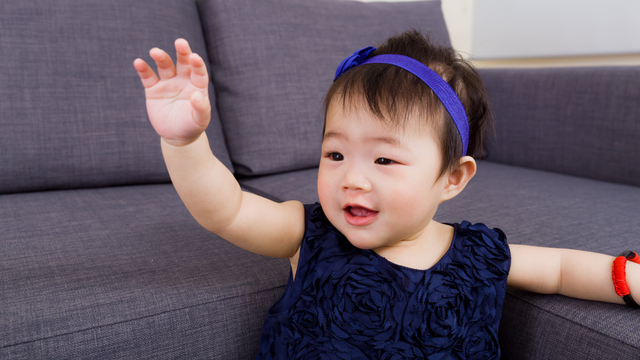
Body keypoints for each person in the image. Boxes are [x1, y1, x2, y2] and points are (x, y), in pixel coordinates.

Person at [133, 30, 639, 359]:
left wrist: (627, 278)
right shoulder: (308, 233)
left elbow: (560, 270)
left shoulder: (479, 255)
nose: (352, 178)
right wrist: (186, 143)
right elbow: (227, 209)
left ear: (452, 178)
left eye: (384, 160)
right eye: (335, 155)